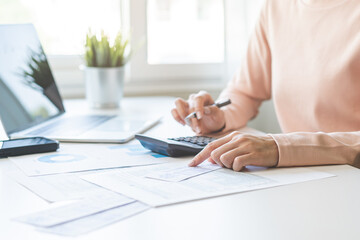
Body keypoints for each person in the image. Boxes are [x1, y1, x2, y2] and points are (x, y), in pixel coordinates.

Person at [171, 0, 360, 171]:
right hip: (301, 173)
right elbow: (245, 91)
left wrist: (283, 147)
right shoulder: (276, 6)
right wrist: (219, 116)